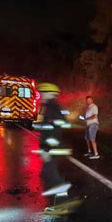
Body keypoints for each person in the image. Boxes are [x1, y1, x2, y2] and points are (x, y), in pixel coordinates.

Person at [32, 83, 73, 214]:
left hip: (52, 149)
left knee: (52, 177)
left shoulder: (51, 108)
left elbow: (52, 131)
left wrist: (46, 149)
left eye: (43, 93)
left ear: (51, 94)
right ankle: (60, 203)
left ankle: (61, 206)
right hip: (53, 148)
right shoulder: (51, 107)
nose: (41, 95)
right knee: (46, 175)